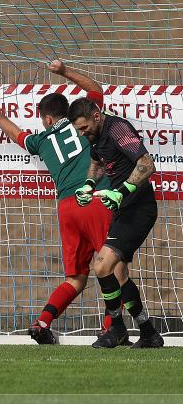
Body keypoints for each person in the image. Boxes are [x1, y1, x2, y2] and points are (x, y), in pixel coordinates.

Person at [0, 60, 116, 344]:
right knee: (114, 267)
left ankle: (42, 322)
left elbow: (16, 134)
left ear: (45, 120)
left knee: (76, 278)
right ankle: (110, 329)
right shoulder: (82, 123)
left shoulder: (41, 140)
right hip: (97, 198)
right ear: (68, 113)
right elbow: (95, 89)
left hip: (68, 207)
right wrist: (65, 71)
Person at [69, 88, 163, 349]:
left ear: (97, 116)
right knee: (119, 275)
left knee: (101, 266)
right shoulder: (96, 136)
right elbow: (97, 163)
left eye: (84, 127)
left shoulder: (117, 128)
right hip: (123, 209)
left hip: (138, 208)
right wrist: (88, 184)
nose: (82, 133)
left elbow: (147, 163)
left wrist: (123, 192)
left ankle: (117, 329)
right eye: (79, 130)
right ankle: (148, 333)